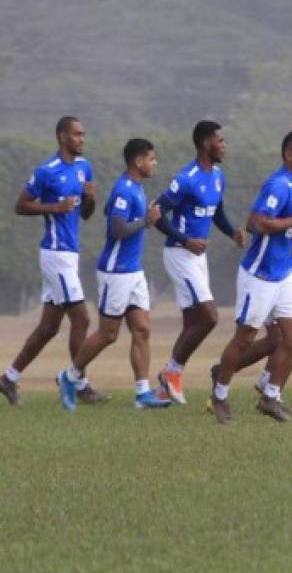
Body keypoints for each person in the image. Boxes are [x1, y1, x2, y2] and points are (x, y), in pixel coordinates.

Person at [208, 132, 292, 423]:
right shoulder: (279, 185)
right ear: (291, 158)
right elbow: (257, 223)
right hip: (260, 275)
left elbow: (284, 229)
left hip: (285, 272)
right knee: (244, 339)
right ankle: (220, 394)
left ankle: (271, 396)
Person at [55, 138, 167, 410]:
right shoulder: (124, 189)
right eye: (151, 159)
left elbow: (109, 212)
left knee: (142, 329)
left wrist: (142, 221)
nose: (155, 164)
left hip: (134, 270)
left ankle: (142, 393)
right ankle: (69, 376)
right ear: (138, 162)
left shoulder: (136, 189)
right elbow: (118, 230)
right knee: (108, 334)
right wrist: (146, 221)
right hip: (116, 272)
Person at [1, 117, 102, 406]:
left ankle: (8, 378)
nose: (82, 139)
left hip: (70, 254)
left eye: (84, 134)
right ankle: (79, 384)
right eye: (77, 134)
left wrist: (90, 198)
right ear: (62, 137)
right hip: (55, 255)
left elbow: (85, 214)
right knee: (82, 318)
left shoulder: (85, 168)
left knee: (48, 328)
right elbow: (20, 206)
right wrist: (55, 206)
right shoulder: (46, 171)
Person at [154, 120, 245, 404]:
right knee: (209, 317)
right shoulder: (186, 178)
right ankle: (171, 372)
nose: (224, 145)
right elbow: (156, 213)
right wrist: (185, 240)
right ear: (206, 143)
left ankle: (162, 392)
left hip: (197, 257)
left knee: (192, 321)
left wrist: (232, 232)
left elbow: (216, 211)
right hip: (180, 255)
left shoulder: (218, 175)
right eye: (220, 140)